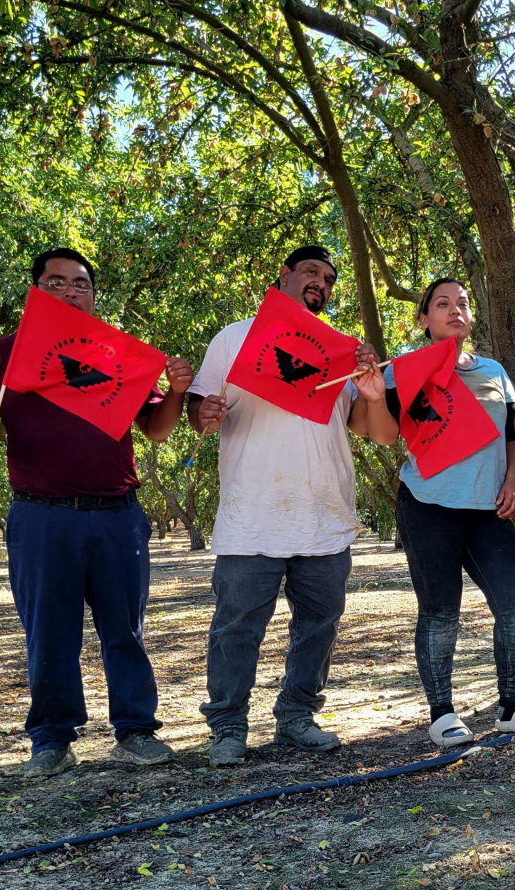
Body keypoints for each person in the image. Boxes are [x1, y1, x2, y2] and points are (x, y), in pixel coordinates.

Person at [0, 247, 194, 776]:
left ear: (93, 295)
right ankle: (51, 740)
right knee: (49, 633)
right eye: (55, 283)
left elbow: (156, 427)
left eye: (80, 284)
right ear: (35, 292)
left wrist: (176, 392)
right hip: (42, 516)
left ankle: (135, 730)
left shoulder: (116, 352)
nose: (69, 291)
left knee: (125, 629)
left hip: (118, 515)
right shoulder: (5, 354)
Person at [188, 245, 383, 765]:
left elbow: (363, 425)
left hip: (325, 515)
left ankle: (297, 716)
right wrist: (202, 412)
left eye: (329, 279)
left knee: (318, 626)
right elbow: (199, 404)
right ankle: (228, 726)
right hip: (251, 515)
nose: (321, 282)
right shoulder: (235, 337)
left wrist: (371, 386)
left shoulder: (343, 351)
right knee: (237, 628)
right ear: (284, 275)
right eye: (311, 272)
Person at [361, 278, 515, 746]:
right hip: (427, 506)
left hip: (488, 511)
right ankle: (442, 714)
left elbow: (513, 434)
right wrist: (374, 396)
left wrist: (513, 483)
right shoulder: (400, 370)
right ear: (423, 319)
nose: (455, 310)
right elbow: (384, 436)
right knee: (440, 613)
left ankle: (512, 706)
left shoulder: (493, 371)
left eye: (463, 303)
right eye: (442, 303)